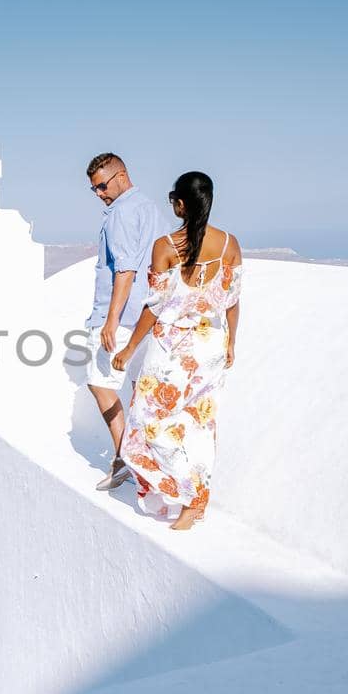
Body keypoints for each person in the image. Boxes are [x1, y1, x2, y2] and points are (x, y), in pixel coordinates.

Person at [111, 171, 242, 531]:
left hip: (173, 348)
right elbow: (232, 300)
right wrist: (231, 341)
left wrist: (129, 348)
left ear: (180, 204)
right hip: (211, 346)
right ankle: (193, 498)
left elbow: (154, 306)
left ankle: (188, 496)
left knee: (146, 422)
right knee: (198, 424)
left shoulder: (165, 246)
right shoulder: (230, 244)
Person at [83, 152, 166, 490]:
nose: (100, 194)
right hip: (149, 316)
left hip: (122, 316)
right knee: (137, 388)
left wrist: (110, 321)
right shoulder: (150, 209)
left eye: (102, 185)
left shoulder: (121, 213)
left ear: (121, 175)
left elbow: (125, 270)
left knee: (99, 383)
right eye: (94, 189)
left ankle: (123, 457)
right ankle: (144, 459)